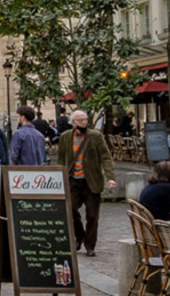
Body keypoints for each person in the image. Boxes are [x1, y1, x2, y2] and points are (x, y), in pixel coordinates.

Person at [56, 109, 116, 257]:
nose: (84, 122)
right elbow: (61, 158)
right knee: (70, 210)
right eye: (81, 120)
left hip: (91, 182)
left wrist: (110, 177)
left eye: (85, 120)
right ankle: (79, 236)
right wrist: (59, 176)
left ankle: (90, 245)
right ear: (73, 123)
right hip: (73, 181)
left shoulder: (95, 136)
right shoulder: (65, 137)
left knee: (92, 216)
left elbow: (105, 157)